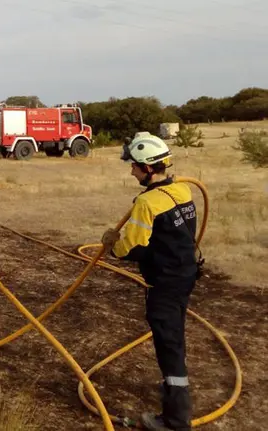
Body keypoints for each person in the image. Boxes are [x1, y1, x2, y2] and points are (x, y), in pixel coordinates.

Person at [101, 132, 201, 431]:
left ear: (147, 168)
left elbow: (132, 247)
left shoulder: (147, 203)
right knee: (174, 338)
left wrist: (111, 244)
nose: (131, 170)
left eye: (134, 166)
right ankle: (175, 407)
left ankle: (175, 420)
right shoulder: (184, 191)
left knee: (168, 344)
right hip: (186, 275)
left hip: (165, 283)